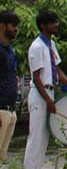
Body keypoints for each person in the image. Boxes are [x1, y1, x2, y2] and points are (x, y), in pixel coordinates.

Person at [24, 9, 67, 169]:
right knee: (36, 136)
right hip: (40, 93)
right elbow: (36, 78)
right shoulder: (36, 46)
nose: (56, 25)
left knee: (44, 137)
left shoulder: (51, 44)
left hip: (49, 92)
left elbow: (57, 69)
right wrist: (49, 101)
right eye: (52, 22)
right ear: (43, 25)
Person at [0, 10, 20, 163]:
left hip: (11, 109)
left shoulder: (11, 51)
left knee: (2, 156)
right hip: (0, 108)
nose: (16, 29)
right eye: (13, 25)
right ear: (2, 26)